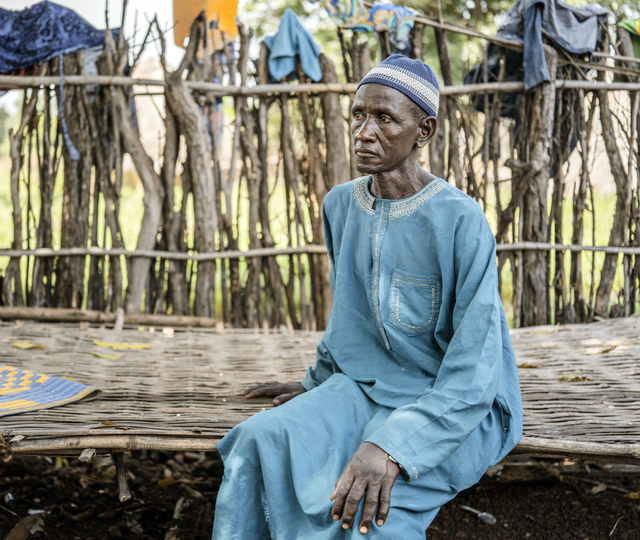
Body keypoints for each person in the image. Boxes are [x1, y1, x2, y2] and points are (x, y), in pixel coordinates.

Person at [211, 54, 523, 539]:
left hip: (455, 401)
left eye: (384, 118)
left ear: (424, 131)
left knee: (371, 513)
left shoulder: (461, 221)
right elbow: (350, 315)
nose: (363, 132)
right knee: (257, 440)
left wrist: (395, 445)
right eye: (358, 114)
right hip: (366, 383)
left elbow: (475, 368)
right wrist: (317, 383)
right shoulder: (341, 204)